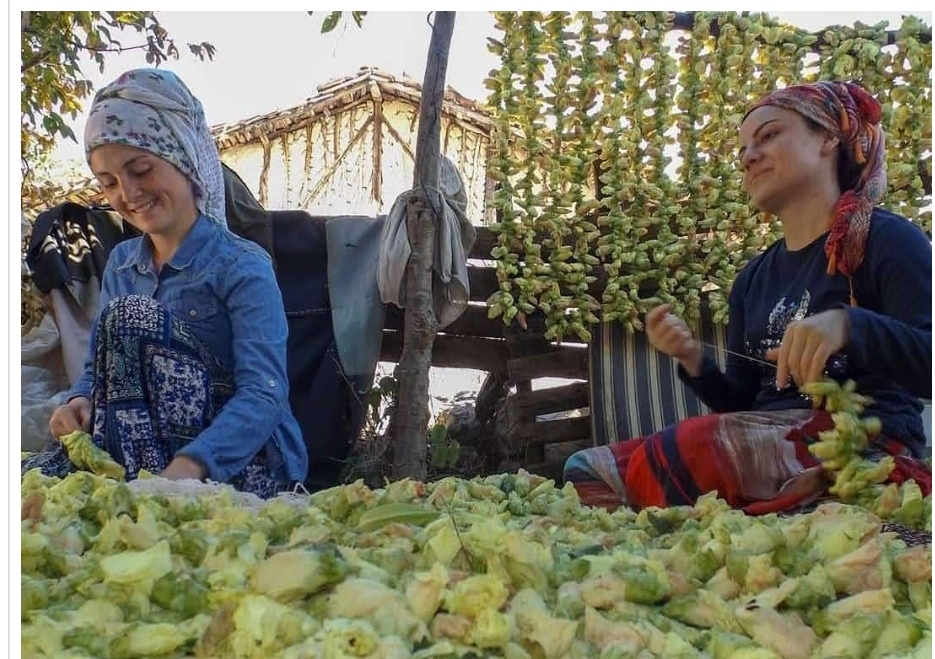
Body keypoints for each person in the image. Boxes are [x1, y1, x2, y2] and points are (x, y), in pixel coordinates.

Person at [564, 80, 932, 513]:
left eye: (769, 136)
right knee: (586, 468)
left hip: (866, 449)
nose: (749, 158)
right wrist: (693, 361)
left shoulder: (887, 241)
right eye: (742, 150)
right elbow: (744, 404)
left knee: (692, 448)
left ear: (828, 137)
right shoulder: (753, 279)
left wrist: (850, 325)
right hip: (763, 442)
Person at [21, 68, 307, 498]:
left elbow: (264, 394)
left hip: (240, 461)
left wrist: (194, 464)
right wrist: (78, 402)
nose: (128, 192)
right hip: (146, 454)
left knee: (130, 317)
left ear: (184, 159)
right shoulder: (121, 264)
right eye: (109, 183)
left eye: (140, 169)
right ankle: (136, 485)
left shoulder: (243, 267)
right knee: (29, 489)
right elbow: (101, 370)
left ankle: (148, 489)